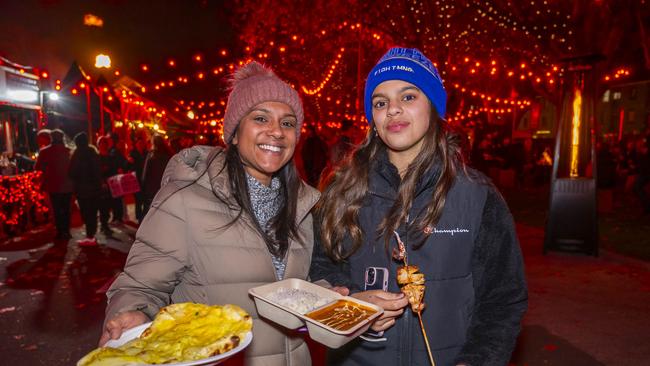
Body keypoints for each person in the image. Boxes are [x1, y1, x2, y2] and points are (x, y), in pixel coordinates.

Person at [310, 47, 528, 366]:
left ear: (433, 107)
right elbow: (318, 271)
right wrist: (351, 308)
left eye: (408, 97)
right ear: (372, 118)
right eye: (380, 102)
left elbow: (504, 298)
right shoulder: (341, 191)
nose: (393, 110)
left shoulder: (477, 195)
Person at [99, 61, 320, 365]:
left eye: (288, 123)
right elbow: (139, 286)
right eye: (260, 118)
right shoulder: (184, 201)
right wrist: (133, 312)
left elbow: (296, 288)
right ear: (233, 133)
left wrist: (336, 297)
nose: (276, 132)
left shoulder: (302, 208)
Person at [34, 129, 74, 241]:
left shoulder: (44, 152)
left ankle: (60, 231)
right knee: (66, 209)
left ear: (51, 138)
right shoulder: (69, 151)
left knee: (57, 209)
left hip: (53, 185)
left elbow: (37, 167)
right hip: (68, 185)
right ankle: (66, 231)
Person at [69, 132, 103, 246]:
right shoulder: (93, 153)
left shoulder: (76, 155)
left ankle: (90, 235)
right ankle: (91, 234)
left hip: (82, 189)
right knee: (92, 212)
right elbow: (98, 171)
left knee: (85, 212)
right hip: (93, 188)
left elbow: (71, 172)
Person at [141, 135, 172, 216]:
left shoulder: (151, 155)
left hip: (152, 189)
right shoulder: (169, 155)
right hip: (165, 187)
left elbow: (145, 173)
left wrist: (143, 187)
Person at [128, 138, 148, 223]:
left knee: (144, 198)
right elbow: (128, 165)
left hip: (145, 179)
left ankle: (144, 215)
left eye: (142, 143)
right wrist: (129, 162)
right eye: (139, 144)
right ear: (136, 145)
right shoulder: (133, 154)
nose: (140, 145)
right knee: (137, 199)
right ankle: (139, 216)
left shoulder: (147, 153)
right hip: (136, 179)